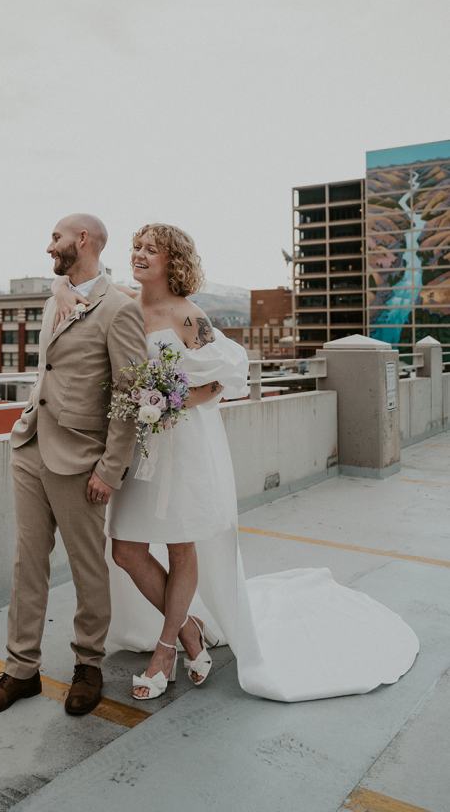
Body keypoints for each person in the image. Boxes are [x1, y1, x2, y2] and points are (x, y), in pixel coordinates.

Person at [54, 223, 419, 702]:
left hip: (182, 442)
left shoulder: (189, 316)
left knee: (182, 546)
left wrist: (170, 400)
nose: (139, 255)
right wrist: (61, 287)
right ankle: (189, 629)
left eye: (151, 250)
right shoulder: (122, 302)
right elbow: (75, 280)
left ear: (173, 261)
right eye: (136, 248)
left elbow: (228, 377)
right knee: (125, 548)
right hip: (138, 446)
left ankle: (167, 651)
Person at [0, 213, 147, 717]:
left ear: (82, 239)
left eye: (56, 237)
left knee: (89, 568)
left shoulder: (119, 309)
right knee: (27, 564)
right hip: (30, 447)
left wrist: (110, 469)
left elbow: (130, 394)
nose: (50, 245)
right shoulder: (57, 295)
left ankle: (88, 665)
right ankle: (20, 670)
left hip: (81, 459)